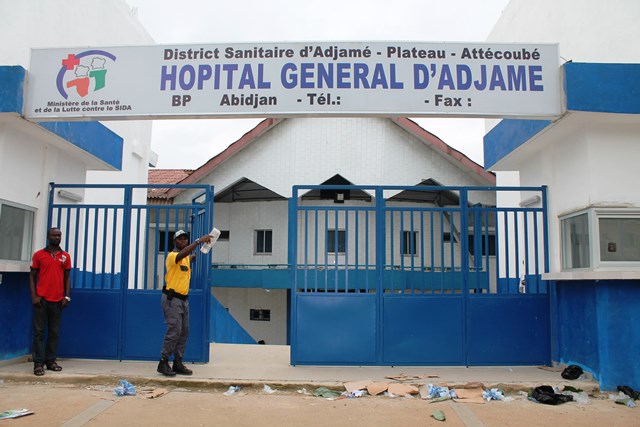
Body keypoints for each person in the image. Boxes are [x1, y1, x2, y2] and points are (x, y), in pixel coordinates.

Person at [157, 229, 212, 376]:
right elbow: (181, 255)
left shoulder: (186, 258)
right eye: (180, 239)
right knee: (174, 331)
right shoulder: (172, 256)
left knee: (184, 332)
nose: (183, 241)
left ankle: (178, 362)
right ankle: (163, 362)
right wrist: (198, 241)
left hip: (183, 300)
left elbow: (188, 257)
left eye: (185, 239)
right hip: (172, 299)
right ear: (175, 241)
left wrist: (203, 248)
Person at [29, 227, 72, 376]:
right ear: (48, 237)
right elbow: (32, 276)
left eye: (59, 235)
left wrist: (67, 296)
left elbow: (67, 277)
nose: (56, 237)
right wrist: (34, 296)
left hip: (58, 301)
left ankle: (51, 361)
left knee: (54, 333)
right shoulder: (39, 255)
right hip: (41, 300)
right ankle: (38, 363)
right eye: (54, 235)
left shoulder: (65, 256)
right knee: (39, 333)